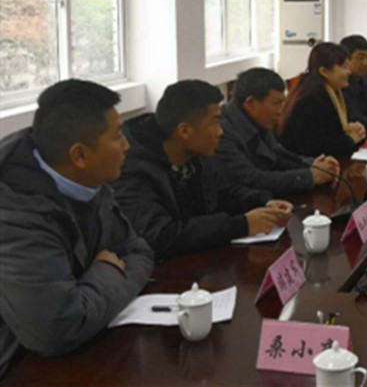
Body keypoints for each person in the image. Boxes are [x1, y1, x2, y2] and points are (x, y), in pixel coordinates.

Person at [0, 80, 154, 377]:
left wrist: (86, 290)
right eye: (118, 136)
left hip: (79, 349)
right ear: (80, 155)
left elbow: (139, 251)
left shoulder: (89, 181)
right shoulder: (15, 213)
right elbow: (56, 330)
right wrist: (106, 270)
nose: (127, 146)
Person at [114, 80, 292, 261]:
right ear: (185, 131)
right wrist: (241, 225)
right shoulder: (131, 170)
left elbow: (221, 192)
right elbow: (160, 235)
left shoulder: (195, 154)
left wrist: (263, 202)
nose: (220, 132)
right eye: (214, 123)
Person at [215, 67, 341, 196]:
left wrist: (315, 165)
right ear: (250, 103)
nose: (280, 111)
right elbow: (251, 179)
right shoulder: (221, 134)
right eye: (276, 103)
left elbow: (277, 156)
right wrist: (310, 176)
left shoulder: (258, 120)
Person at [280, 43, 367, 158]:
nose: (349, 72)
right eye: (344, 67)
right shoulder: (311, 100)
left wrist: (356, 131)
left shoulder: (334, 92)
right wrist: (350, 140)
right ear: (324, 71)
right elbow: (315, 148)